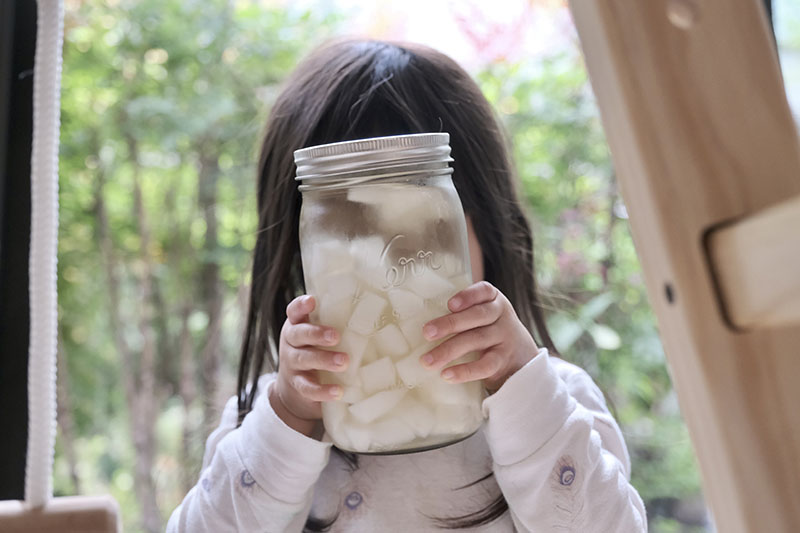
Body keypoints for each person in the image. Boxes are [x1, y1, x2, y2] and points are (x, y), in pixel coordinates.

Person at [167, 39, 648, 532]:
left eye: (416, 240)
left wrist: (522, 391)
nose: (383, 272)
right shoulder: (264, 420)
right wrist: (290, 420)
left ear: (484, 228)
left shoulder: (553, 398)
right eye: (353, 237)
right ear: (300, 254)